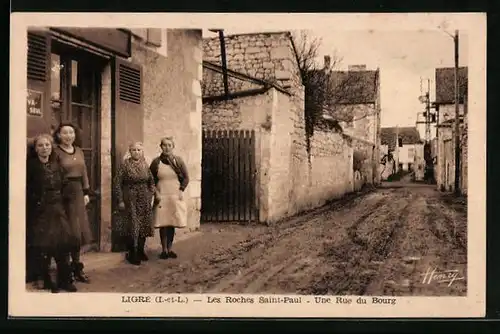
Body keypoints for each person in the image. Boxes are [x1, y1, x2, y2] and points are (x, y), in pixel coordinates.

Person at [26, 134, 78, 293]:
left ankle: (64, 280)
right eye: (40, 146)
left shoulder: (56, 165)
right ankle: (47, 279)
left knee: (63, 244)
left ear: (51, 147)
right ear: (35, 149)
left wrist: (64, 200)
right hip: (40, 212)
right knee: (44, 245)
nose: (44, 148)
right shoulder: (31, 166)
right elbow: (27, 189)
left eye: (47, 145)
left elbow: (65, 184)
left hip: (57, 210)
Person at [52, 122, 93, 283]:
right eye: (65, 133)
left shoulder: (80, 151)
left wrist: (86, 191)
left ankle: (77, 267)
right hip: (62, 194)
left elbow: (84, 172)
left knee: (77, 232)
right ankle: (65, 269)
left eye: (71, 132)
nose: (68, 136)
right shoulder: (55, 152)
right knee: (65, 232)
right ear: (58, 135)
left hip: (77, 193)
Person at [114, 142, 156, 265]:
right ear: (130, 151)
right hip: (130, 198)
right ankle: (132, 253)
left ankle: (141, 250)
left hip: (144, 198)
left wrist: (151, 193)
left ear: (142, 151)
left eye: (138, 150)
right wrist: (120, 200)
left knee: (144, 224)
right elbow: (117, 183)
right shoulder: (125, 165)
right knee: (133, 225)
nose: (136, 152)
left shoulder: (144, 164)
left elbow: (151, 181)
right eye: (133, 150)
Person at [150, 136, 189, 259]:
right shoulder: (156, 162)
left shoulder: (178, 161)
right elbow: (150, 179)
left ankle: (170, 248)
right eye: (164, 145)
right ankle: (164, 250)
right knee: (163, 223)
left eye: (169, 145)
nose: (167, 148)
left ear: (173, 147)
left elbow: (186, 177)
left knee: (172, 222)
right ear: (161, 147)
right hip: (162, 195)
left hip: (175, 194)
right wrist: (155, 192)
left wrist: (181, 190)